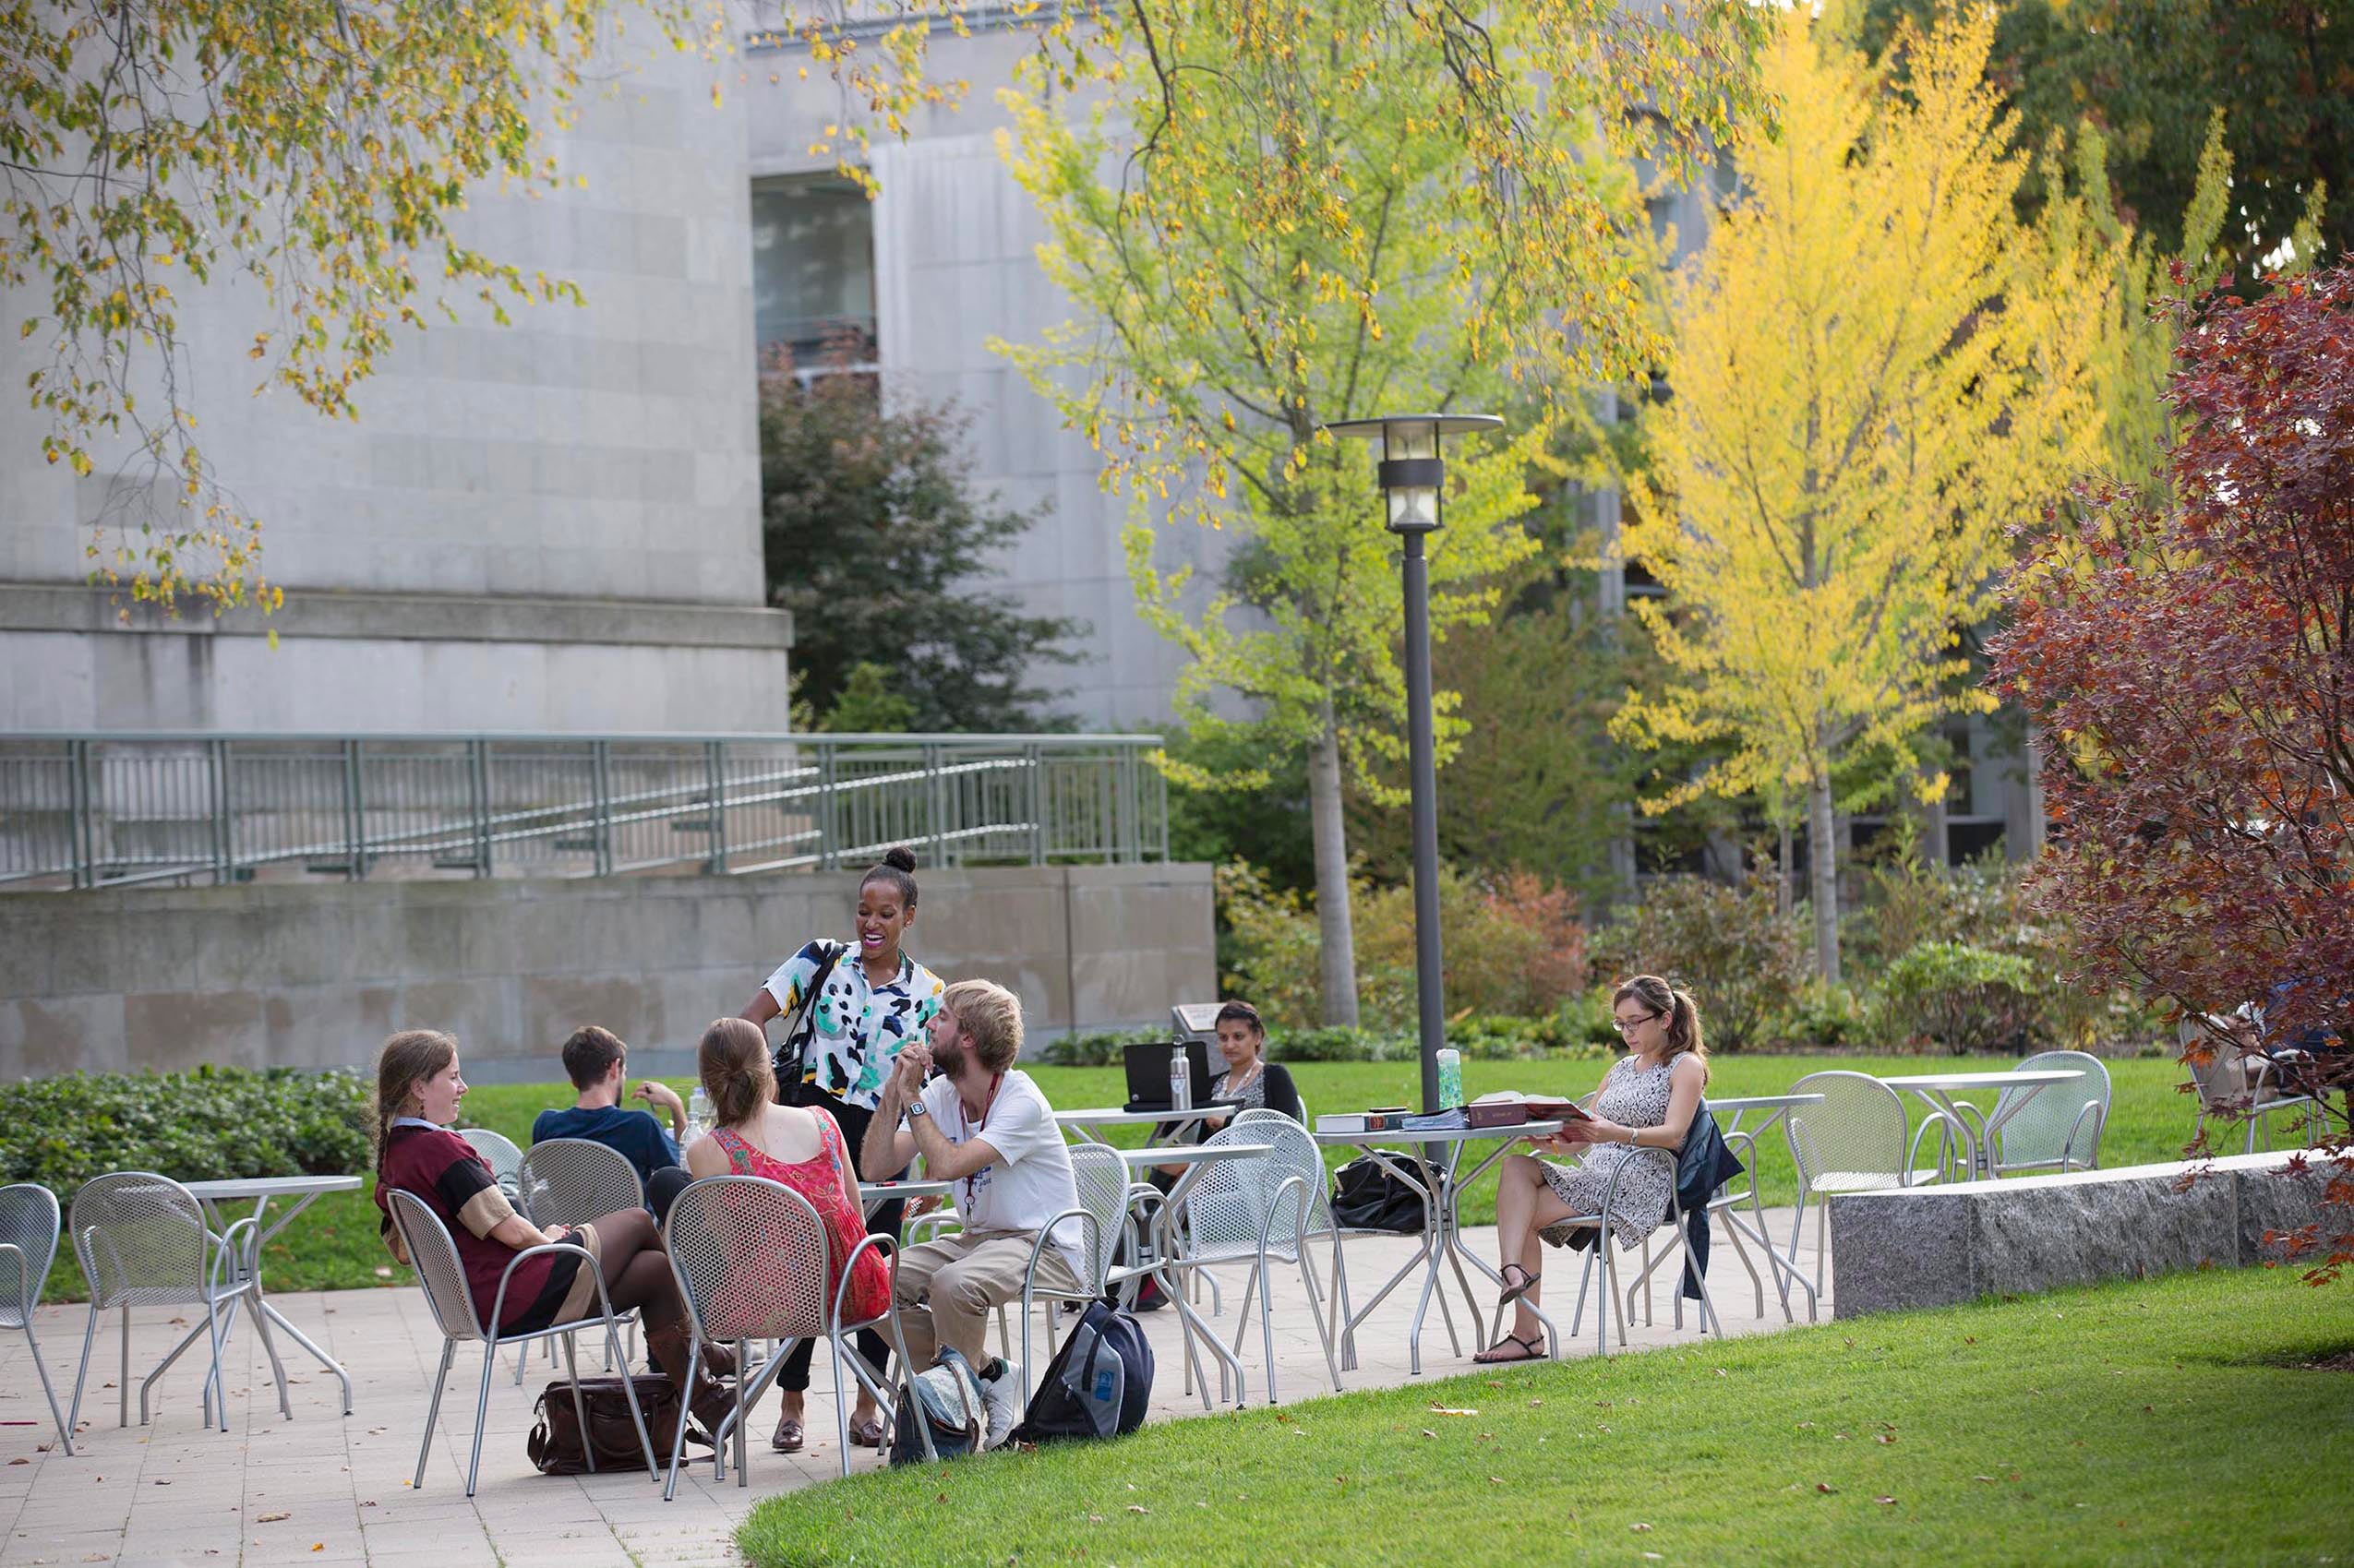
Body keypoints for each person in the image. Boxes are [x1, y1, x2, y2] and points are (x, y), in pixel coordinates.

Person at [369, 1029, 734, 1436]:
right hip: (515, 1292)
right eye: (453, 1077)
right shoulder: (439, 1151)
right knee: (637, 1220)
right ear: (419, 1086)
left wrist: (543, 1238)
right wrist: (553, 1243)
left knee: (653, 1270)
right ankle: (704, 1350)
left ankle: (711, 1402)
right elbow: (512, 1233)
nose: (463, 1087)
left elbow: (418, 1248)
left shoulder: (399, 1154)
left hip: (486, 1298)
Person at [738, 845, 944, 1450]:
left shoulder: (930, 991)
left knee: (876, 1268)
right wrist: (760, 1087)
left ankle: (867, 1403)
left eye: (885, 913)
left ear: (910, 915)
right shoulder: (819, 961)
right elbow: (747, 1023)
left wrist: (931, 1154)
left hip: (885, 1138)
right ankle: (792, 1399)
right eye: (862, 911)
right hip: (809, 1134)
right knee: (803, 1264)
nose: (871, 924)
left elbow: (933, 1085)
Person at [862, 978, 1086, 1428]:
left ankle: (953, 1417)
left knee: (953, 1284)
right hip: (979, 1239)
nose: (929, 1024)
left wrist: (913, 1101)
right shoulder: (945, 1094)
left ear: (968, 1037)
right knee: (868, 1285)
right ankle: (985, 1373)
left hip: (1043, 1245)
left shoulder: (1020, 1101)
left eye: (941, 1017)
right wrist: (893, 1092)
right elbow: (874, 1166)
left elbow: (948, 1165)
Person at [1472, 975, 1708, 1365]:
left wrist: (1613, 1132)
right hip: (1595, 1173)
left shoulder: (1686, 1067)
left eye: (1635, 1022)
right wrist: (1554, 1142)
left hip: (1638, 1181)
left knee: (1522, 1212)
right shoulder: (1620, 1069)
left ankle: (1525, 1330)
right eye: (1620, 1023)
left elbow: (1674, 1134)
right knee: (1516, 1164)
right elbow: (1589, 1134)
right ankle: (1513, 1270)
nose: (1626, 1032)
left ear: (1665, 1019)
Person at [682, 1017, 893, 1454]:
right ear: (769, 1068)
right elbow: (854, 1213)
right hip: (853, 1288)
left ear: (708, 1080)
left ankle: (767, 1409)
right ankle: (874, 1405)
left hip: (771, 1303)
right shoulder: (823, 1121)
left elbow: (728, 1249)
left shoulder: (706, 1151)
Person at [531, 1025, 692, 1219]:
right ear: (614, 1068)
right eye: (624, 1071)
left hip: (572, 1238)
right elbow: (683, 1178)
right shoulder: (640, 1126)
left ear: (573, 1080)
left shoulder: (546, 1125)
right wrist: (676, 1105)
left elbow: (539, 1178)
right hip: (631, 1240)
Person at [1155, 999, 1300, 1179]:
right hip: (1211, 1162)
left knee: (1178, 1165)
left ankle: (1145, 1206)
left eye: (1238, 1037)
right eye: (1223, 1038)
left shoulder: (1274, 1075)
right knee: (1173, 1160)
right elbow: (1171, 1130)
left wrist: (1228, 1122)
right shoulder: (1214, 1083)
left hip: (1258, 1166)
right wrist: (1172, 1097)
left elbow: (1288, 1128)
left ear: (1257, 1037)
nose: (1229, 1045)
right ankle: (1148, 1206)